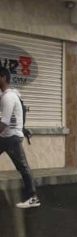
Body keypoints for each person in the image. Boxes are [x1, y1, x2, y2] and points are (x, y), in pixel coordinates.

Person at [0, 67, 39, 208]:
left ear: (3, 77)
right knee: (23, 167)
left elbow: (4, 122)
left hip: (11, 138)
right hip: (7, 137)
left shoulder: (9, 97)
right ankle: (32, 196)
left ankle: (33, 197)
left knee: (23, 167)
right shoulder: (6, 95)